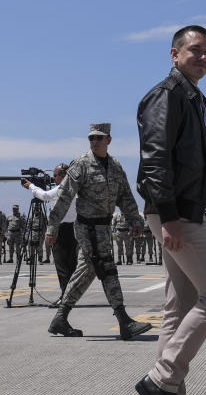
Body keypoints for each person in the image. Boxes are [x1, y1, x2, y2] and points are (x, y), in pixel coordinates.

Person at [133, 25, 206, 395]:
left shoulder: (196, 99)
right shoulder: (167, 95)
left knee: (179, 307)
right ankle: (161, 381)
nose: (204, 57)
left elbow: (205, 168)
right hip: (175, 214)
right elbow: (155, 160)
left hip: (190, 214)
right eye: (195, 51)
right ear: (174, 54)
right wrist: (170, 215)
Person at [44, 123, 151, 341]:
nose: (94, 142)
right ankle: (124, 321)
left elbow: (126, 196)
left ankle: (60, 318)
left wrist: (135, 220)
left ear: (108, 140)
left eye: (99, 138)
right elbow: (64, 196)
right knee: (107, 269)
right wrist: (52, 226)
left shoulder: (115, 166)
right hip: (88, 227)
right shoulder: (81, 164)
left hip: (104, 226)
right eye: (91, 138)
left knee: (86, 271)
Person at [23, 163, 77, 298]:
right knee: (71, 264)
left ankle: (65, 297)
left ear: (63, 176)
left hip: (61, 230)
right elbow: (50, 192)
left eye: (55, 175)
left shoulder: (63, 187)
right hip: (74, 229)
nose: (53, 178)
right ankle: (70, 295)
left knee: (61, 265)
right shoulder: (75, 187)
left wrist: (31, 186)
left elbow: (46, 195)